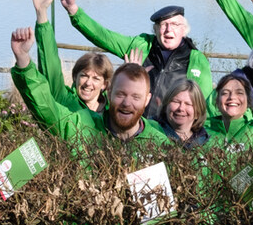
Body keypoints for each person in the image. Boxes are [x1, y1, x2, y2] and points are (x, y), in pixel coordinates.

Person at [59, 0, 213, 120]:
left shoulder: (197, 60)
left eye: (174, 25)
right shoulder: (141, 45)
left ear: (184, 30)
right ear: (155, 29)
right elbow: (104, 37)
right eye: (163, 25)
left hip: (170, 131)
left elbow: (203, 104)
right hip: (135, 125)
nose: (168, 30)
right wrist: (74, 11)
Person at [9, 28, 168, 151]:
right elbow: (47, 109)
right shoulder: (83, 126)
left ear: (147, 100)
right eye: (121, 94)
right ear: (110, 91)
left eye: (136, 97)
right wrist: (23, 60)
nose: (127, 102)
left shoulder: (159, 144)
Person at [26, 0, 112, 115]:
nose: (88, 83)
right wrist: (41, 13)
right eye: (83, 76)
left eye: (96, 79)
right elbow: (50, 64)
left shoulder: (113, 113)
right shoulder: (65, 101)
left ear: (105, 85)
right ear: (75, 77)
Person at [157, 78, 209, 148]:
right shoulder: (150, 130)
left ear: (198, 112)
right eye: (176, 102)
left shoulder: (207, 144)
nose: (181, 108)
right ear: (166, 106)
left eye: (188, 104)